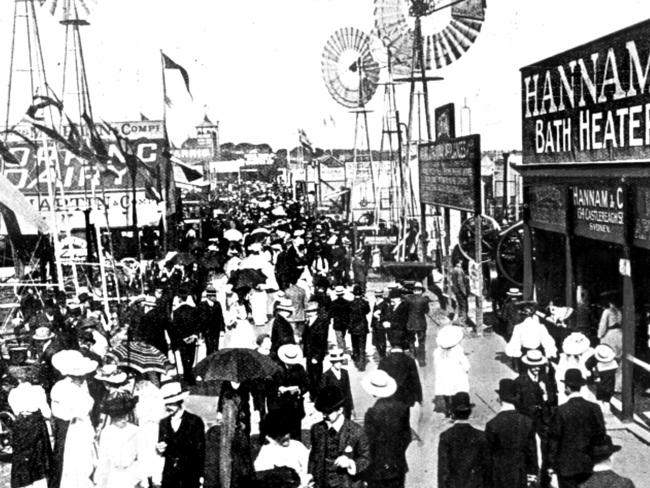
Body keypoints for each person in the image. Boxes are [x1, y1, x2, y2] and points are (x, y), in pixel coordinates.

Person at [548, 369, 606, 488]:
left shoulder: (560, 411)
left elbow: (554, 441)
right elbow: (601, 435)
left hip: (566, 466)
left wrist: (551, 465)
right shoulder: (594, 408)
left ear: (567, 387)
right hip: (588, 464)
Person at [50, 350, 98, 488]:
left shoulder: (83, 386)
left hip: (83, 426)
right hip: (74, 429)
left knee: (85, 459)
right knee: (75, 461)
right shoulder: (63, 388)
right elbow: (61, 412)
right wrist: (75, 414)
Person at [308, 386, 370, 488]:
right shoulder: (316, 429)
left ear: (340, 410)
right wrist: (310, 477)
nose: (324, 416)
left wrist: (350, 463)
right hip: (322, 484)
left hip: (347, 484)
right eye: (323, 412)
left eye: (328, 412)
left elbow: (366, 458)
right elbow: (313, 457)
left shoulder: (356, 431)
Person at [362, 370, 411, 488]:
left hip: (378, 468)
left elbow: (369, 444)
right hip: (398, 464)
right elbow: (407, 436)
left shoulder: (372, 413)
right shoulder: (403, 408)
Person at [485, 379, 538, 488]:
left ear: (499, 399)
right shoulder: (527, 422)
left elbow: (488, 455)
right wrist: (532, 474)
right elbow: (531, 451)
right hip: (521, 473)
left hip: (499, 475)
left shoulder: (492, 424)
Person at [7, 366, 52, 488]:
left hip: (21, 424)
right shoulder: (38, 391)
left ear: (18, 379)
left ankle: (23, 483)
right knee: (38, 457)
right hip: (36, 424)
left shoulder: (13, 393)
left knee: (21, 456)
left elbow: (16, 411)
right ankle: (39, 483)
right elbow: (46, 413)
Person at [157, 381, 205, 488]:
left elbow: (201, 451)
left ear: (179, 402)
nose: (167, 407)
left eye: (171, 403)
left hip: (189, 476)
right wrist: (160, 449)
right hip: (169, 477)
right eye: (166, 404)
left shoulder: (194, 421)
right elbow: (162, 448)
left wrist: (201, 476)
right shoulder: (163, 423)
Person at [437, 392, 491, 488]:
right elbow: (487, 470)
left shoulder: (446, 436)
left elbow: (443, 471)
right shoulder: (481, 436)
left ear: (453, 413)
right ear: (470, 412)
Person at [254, 409, 311, 487]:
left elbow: (308, 469)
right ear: (273, 436)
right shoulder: (267, 451)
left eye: (287, 433)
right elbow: (261, 475)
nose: (286, 436)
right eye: (281, 436)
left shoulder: (297, 446)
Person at [94, 395, 140, 488]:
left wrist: (139, 477)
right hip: (113, 474)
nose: (124, 420)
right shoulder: (107, 432)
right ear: (113, 417)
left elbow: (141, 455)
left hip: (131, 474)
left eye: (125, 416)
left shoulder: (134, 431)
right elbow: (103, 457)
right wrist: (101, 478)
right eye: (120, 417)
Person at [268, 344, 309, 440]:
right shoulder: (276, 369)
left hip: (295, 404)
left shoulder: (299, 368)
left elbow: (306, 384)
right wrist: (279, 388)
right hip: (280, 405)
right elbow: (270, 386)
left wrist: (299, 390)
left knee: (296, 432)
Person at [433, 325, 470, 417]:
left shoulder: (437, 351)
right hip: (455, 375)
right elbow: (466, 365)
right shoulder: (458, 350)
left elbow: (435, 364)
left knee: (446, 391)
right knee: (455, 392)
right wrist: (466, 369)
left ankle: (448, 408)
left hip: (443, 375)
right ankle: (454, 409)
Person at [379, 342, 422, 409]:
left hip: (389, 398)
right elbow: (415, 380)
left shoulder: (383, 361)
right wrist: (419, 398)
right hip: (406, 399)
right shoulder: (410, 360)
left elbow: (379, 379)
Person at [302, 301, 330, 399]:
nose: (309, 313)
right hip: (309, 353)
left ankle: (317, 396)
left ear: (316, 312)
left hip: (315, 355)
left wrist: (317, 356)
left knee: (316, 376)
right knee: (310, 375)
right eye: (308, 311)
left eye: (311, 311)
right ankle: (312, 394)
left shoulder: (321, 323)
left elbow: (322, 341)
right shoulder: (308, 321)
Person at [319, 348, 354, 420]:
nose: (339, 364)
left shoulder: (344, 373)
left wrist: (351, 407)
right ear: (332, 362)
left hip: (345, 407)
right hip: (333, 409)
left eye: (340, 361)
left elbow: (348, 390)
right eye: (336, 362)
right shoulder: (326, 376)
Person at [404, 282, 430, 366]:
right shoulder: (424, 300)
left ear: (414, 291)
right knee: (421, 342)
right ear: (421, 291)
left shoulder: (408, 299)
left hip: (410, 323)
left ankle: (413, 356)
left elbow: (406, 310)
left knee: (411, 341)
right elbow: (426, 311)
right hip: (421, 324)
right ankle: (421, 360)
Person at [348, 285, 370, 370]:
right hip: (362, 327)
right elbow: (367, 311)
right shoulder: (365, 303)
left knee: (355, 345)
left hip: (353, 327)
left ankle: (356, 360)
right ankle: (362, 365)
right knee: (362, 346)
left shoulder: (350, 304)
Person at [331, 286, 352, 352]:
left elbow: (331, 314)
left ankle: (342, 352)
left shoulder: (333, 303)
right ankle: (343, 350)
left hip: (337, 323)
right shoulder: (348, 303)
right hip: (345, 323)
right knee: (342, 337)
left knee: (339, 339)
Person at [371, 289, 389, 359]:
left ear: (381, 296)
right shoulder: (376, 303)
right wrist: (372, 324)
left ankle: (383, 354)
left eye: (379, 296)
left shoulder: (384, 304)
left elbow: (387, 315)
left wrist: (380, 318)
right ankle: (380, 353)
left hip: (381, 325)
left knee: (382, 340)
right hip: (375, 325)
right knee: (375, 342)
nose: (377, 297)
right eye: (376, 295)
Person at [450, 260, 469, 326]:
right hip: (460, 291)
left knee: (460, 305)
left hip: (456, 290)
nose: (462, 262)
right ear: (458, 262)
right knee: (463, 305)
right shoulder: (459, 270)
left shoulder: (454, 269)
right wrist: (464, 292)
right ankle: (462, 321)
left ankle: (459, 319)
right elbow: (460, 282)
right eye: (460, 261)